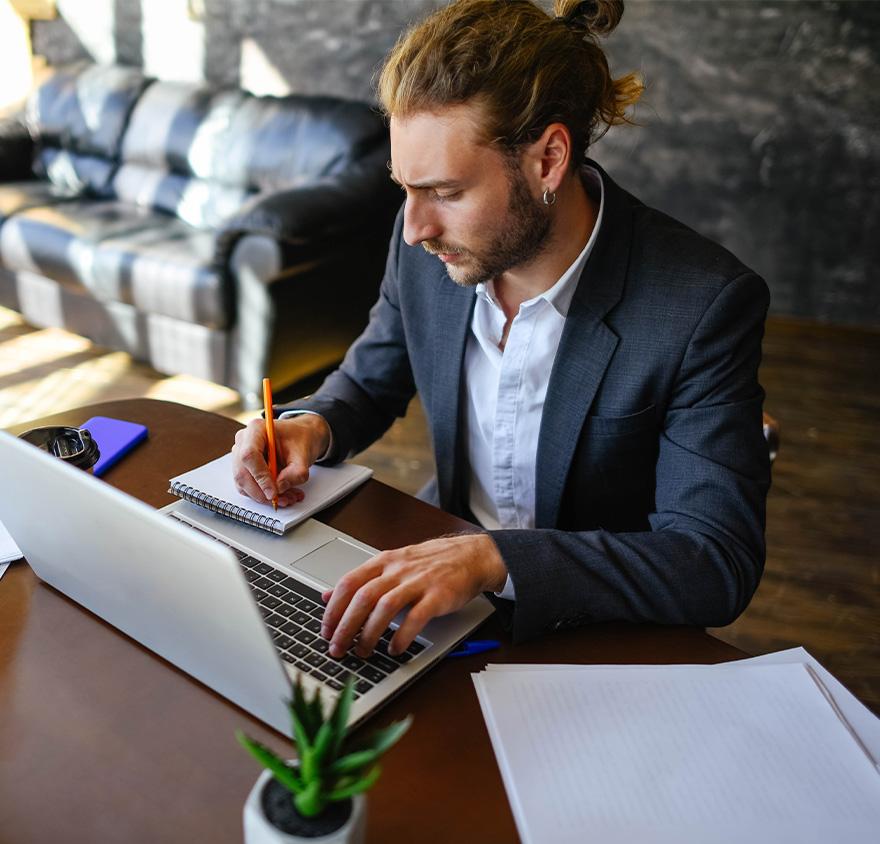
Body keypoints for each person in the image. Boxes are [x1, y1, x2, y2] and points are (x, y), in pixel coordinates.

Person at [231, 0, 770, 662]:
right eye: (405, 188)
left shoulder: (701, 305)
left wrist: (493, 559)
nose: (414, 229)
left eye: (447, 192)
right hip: (441, 589)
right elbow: (372, 377)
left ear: (547, 160)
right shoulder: (430, 248)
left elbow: (713, 563)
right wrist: (313, 425)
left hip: (596, 627)